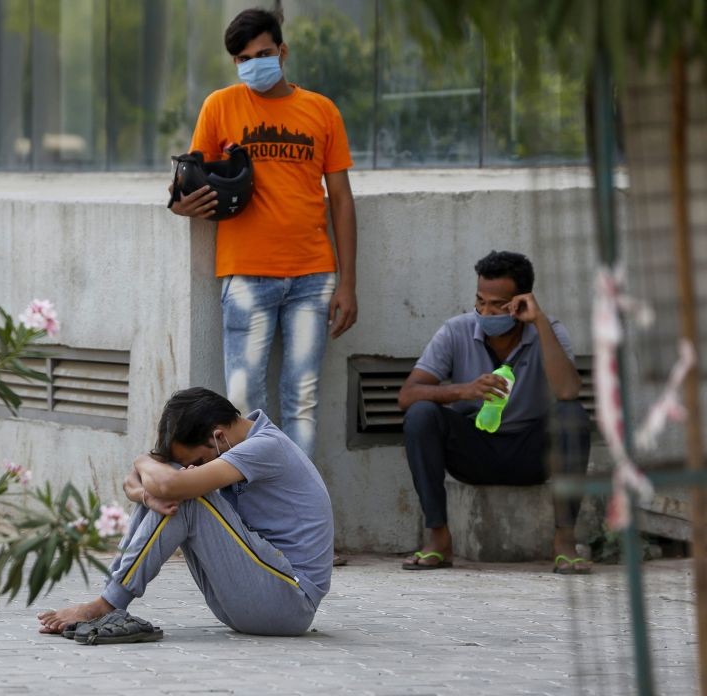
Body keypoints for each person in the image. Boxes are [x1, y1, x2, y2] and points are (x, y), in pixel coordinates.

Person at [169, 8, 357, 462]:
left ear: (283, 51)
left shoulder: (321, 110)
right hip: (247, 276)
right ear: (235, 63)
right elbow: (186, 182)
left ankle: (299, 517)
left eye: (265, 53)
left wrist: (348, 283)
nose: (255, 62)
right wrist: (180, 204)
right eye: (245, 57)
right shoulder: (220, 105)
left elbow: (342, 201)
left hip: (314, 277)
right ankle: (255, 516)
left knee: (303, 402)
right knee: (242, 407)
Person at [38, 387, 334, 639]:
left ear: (218, 436)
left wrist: (143, 460)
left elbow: (167, 483)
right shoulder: (243, 442)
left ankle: (106, 604)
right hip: (258, 596)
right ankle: (110, 598)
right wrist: (145, 494)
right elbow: (141, 482)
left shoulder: (265, 447)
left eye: (200, 460)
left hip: (289, 601)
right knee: (172, 486)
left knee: (185, 497)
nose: (197, 466)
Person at [397, 251, 592, 574]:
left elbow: (568, 392)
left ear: (520, 302)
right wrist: (463, 390)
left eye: (497, 305)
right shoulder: (456, 331)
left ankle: (564, 541)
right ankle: (439, 539)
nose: (485, 312)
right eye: (480, 301)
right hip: (475, 450)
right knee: (420, 415)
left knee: (572, 415)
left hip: (532, 452)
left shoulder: (549, 330)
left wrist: (539, 322)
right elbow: (407, 395)